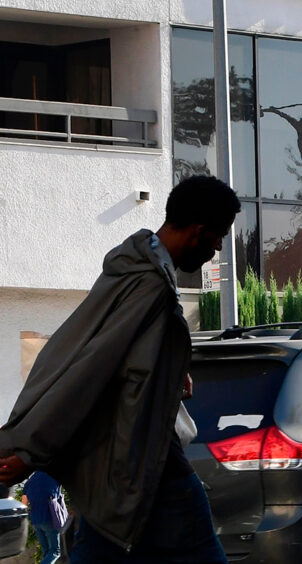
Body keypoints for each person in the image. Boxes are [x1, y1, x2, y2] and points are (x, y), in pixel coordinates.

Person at [0, 175, 241, 563]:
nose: (217, 249)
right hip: (145, 464)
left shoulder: (132, 270)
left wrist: (170, 374)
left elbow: (106, 362)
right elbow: (87, 372)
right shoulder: (149, 287)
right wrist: (31, 451)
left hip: (124, 470)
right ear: (199, 231)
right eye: (218, 237)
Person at [21, 471, 64, 564]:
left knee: (46, 552)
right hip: (50, 517)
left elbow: (24, 502)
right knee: (55, 552)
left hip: (35, 520)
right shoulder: (55, 475)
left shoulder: (30, 480)